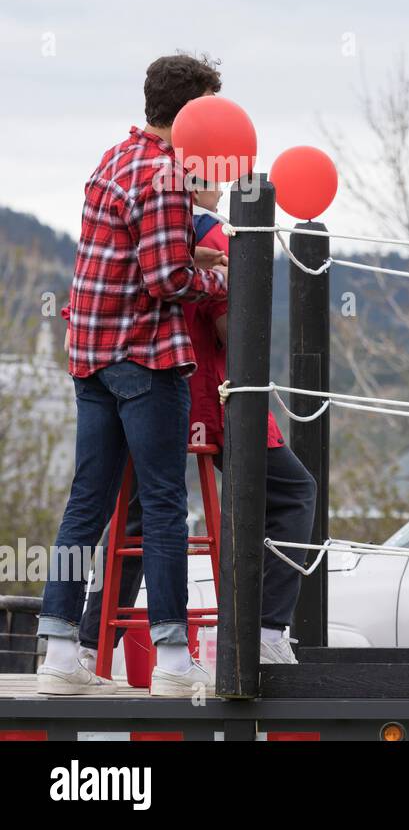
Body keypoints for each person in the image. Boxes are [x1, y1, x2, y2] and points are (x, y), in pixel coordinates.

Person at [37, 54, 228, 697]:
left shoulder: (114, 159)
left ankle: (59, 648)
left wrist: (186, 251)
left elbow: (135, 248)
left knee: (85, 504)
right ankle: (176, 663)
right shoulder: (169, 172)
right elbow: (165, 279)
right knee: (167, 507)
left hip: (90, 354)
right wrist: (218, 276)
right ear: (192, 112)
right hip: (145, 357)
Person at [76, 181, 318, 669]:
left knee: (140, 517)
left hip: (142, 389)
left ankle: (88, 644)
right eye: (216, 179)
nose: (224, 190)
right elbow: (232, 330)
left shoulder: (141, 228)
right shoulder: (221, 238)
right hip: (214, 400)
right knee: (294, 492)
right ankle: (266, 630)